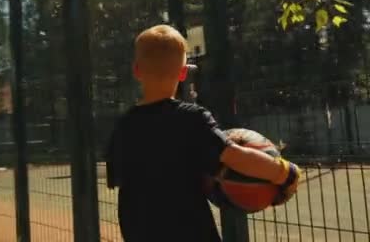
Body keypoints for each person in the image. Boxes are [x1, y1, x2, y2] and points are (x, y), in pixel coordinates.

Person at [104, 25, 300, 241]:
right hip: (190, 232)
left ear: (136, 70)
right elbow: (234, 156)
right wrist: (283, 172)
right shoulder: (192, 118)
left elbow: (118, 179)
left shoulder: (123, 126)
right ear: (183, 72)